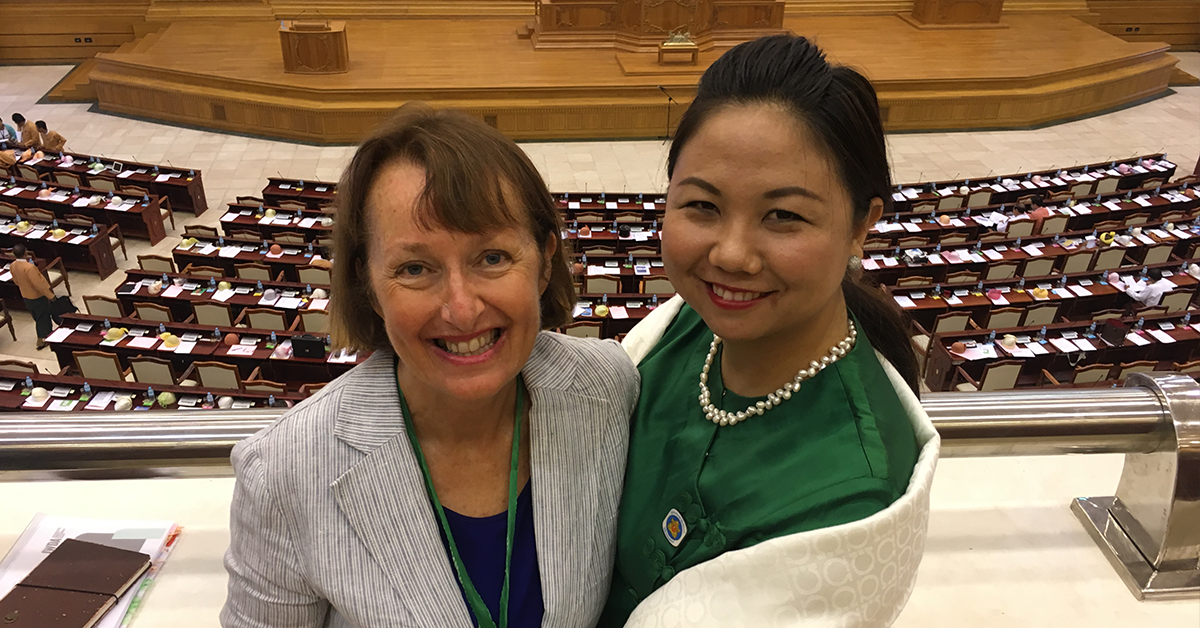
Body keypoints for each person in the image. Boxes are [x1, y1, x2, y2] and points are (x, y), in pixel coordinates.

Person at [221, 104, 640, 628]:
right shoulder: (283, 472)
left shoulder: (608, 386)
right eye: (415, 268)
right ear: (368, 285)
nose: (461, 309)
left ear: (545, 261)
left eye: (492, 257)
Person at [602, 35, 940, 626]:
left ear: (863, 226)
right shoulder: (680, 327)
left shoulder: (849, 499)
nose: (731, 255)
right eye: (702, 206)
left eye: (783, 216)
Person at [10, 243, 56, 349]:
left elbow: (16, 280)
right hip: (37, 296)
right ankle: (42, 339)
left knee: (37, 316)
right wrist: (50, 295)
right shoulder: (29, 268)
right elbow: (38, 284)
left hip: (25, 295)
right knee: (43, 317)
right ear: (25, 252)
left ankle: (46, 335)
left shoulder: (13, 265)